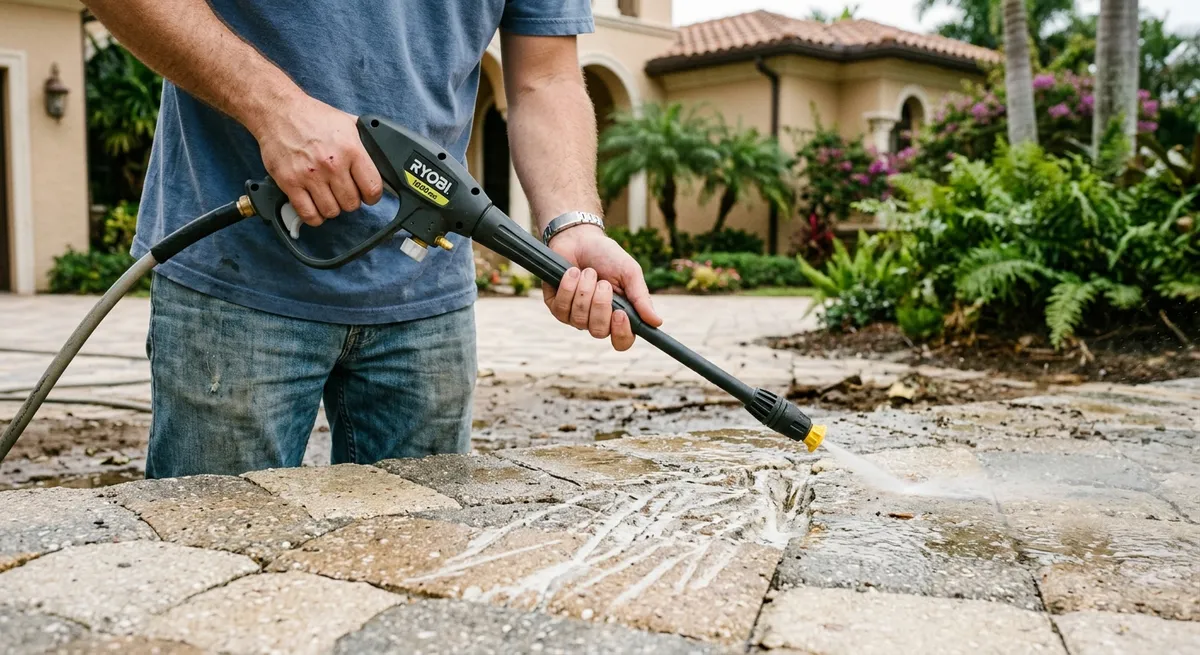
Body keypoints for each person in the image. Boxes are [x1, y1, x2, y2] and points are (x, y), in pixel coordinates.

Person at [83, 0, 663, 478]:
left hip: (425, 297)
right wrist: (275, 110)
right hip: (238, 275)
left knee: (418, 561)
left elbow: (546, 78)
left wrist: (572, 220)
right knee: (206, 558)